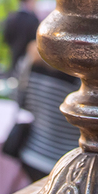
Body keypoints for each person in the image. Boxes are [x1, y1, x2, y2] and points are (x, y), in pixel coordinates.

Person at [14, 40, 81, 182]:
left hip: (32, 152)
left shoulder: (28, 63)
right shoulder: (81, 76)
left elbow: (20, 101)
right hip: (67, 159)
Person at [2, 0, 40, 72]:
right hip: (27, 60)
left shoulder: (12, 17)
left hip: (13, 55)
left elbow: (6, 37)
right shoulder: (33, 20)